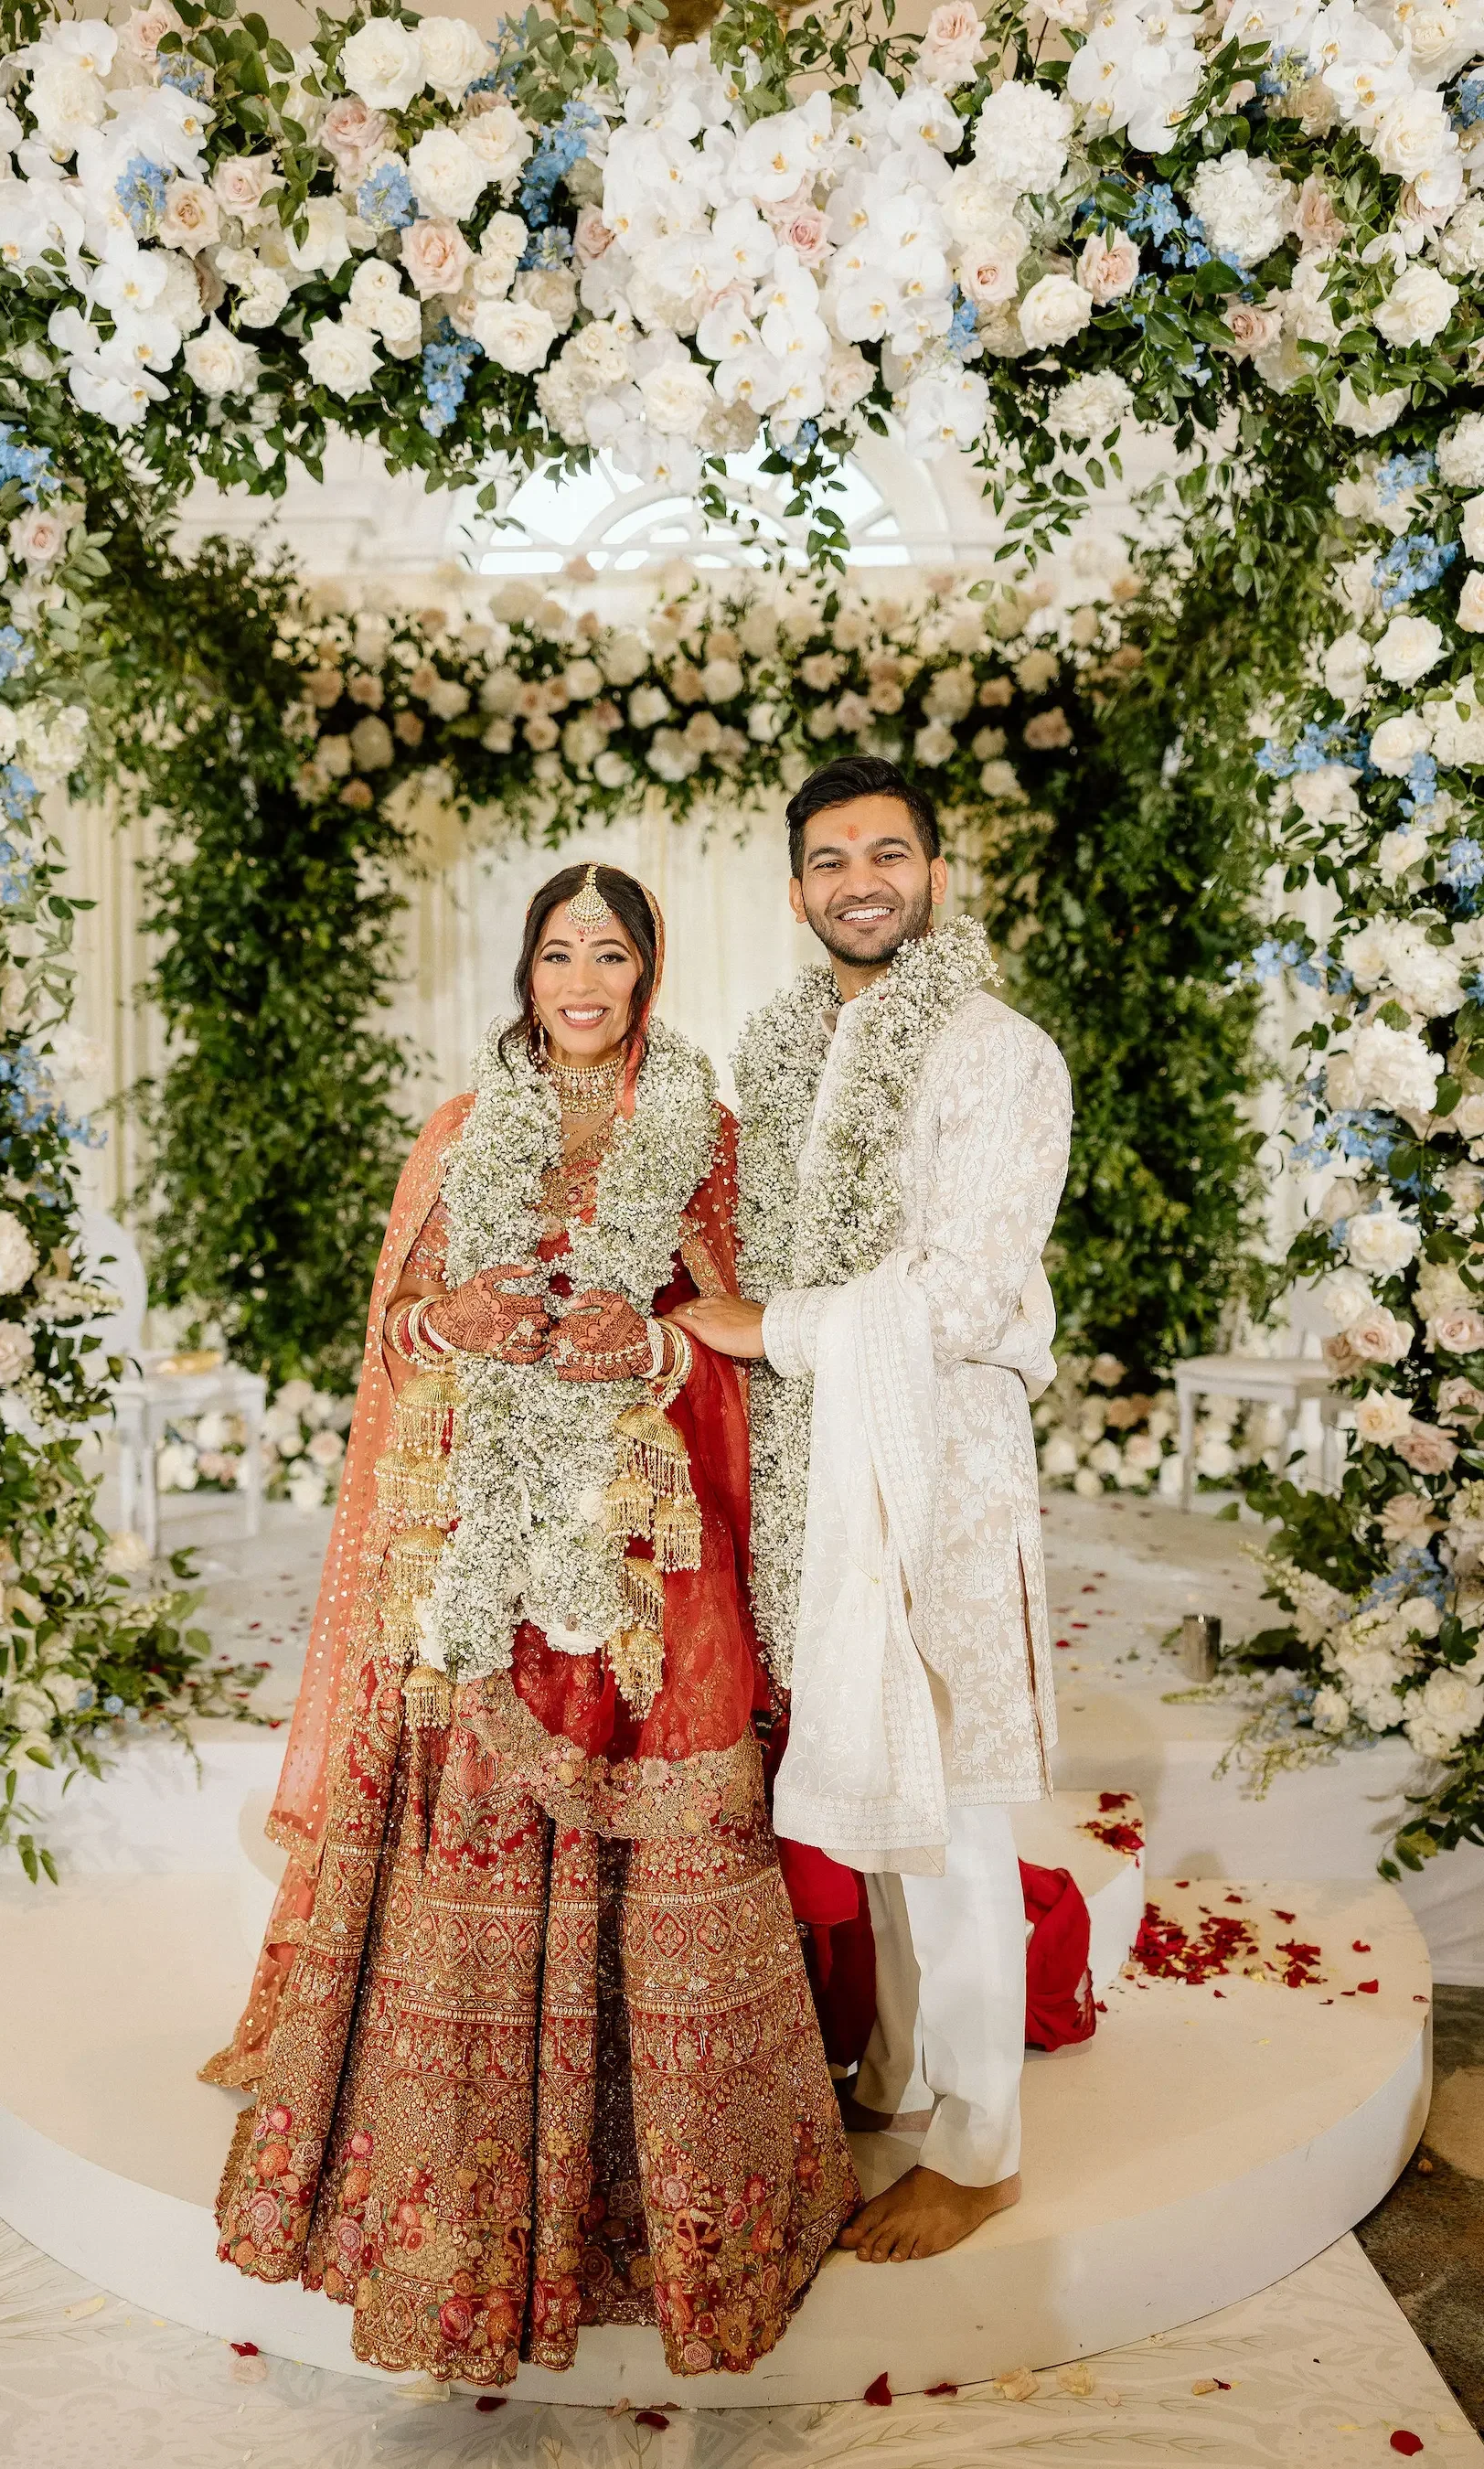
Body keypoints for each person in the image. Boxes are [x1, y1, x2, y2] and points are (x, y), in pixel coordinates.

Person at [202, 861, 858, 2385]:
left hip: (647, 1570)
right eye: (560, 951)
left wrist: (649, 1348)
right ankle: (456, 2194)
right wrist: (450, 1325)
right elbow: (394, 1335)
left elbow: (757, 1359)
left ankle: (685, 2203)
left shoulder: (705, 1144)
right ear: (527, 968)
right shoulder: (459, 1131)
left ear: (648, 971)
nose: (583, 978)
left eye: (610, 953)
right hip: (477, 1571)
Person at [676, 755, 1073, 2267]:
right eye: (832, 859)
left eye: (889, 853)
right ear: (795, 894)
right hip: (806, 1471)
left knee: (955, 1801)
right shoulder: (778, 1051)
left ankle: (982, 2148)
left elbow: (965, 1290)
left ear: (936, 877)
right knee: (865, 1765)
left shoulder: (998, 1056)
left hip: (941, 1466)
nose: (862, 880)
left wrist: (767, 1325)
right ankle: (901, 2067)